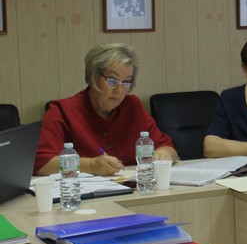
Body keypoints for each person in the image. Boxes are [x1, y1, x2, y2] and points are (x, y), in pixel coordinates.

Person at [34, 43, 178, 176]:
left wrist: (164, 154)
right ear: (93, 77)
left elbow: (167, 147)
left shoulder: (133, 106)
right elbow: (42, 164)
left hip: (136, 189)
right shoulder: (62, 110)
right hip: (84, 192)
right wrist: (90, 165)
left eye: (126, 82)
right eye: (112, 80)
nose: (119, 90)